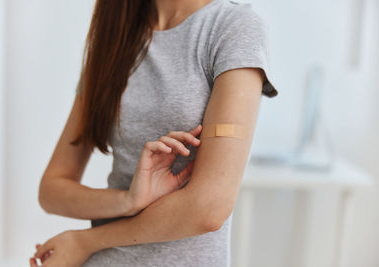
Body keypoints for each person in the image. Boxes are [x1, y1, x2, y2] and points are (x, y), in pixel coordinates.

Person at [30, 0, 278, 266]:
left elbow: (209, 209)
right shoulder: (114, 36)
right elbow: (51, 190)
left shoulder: (234, 26)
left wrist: (86, 241)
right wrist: (127, 201)